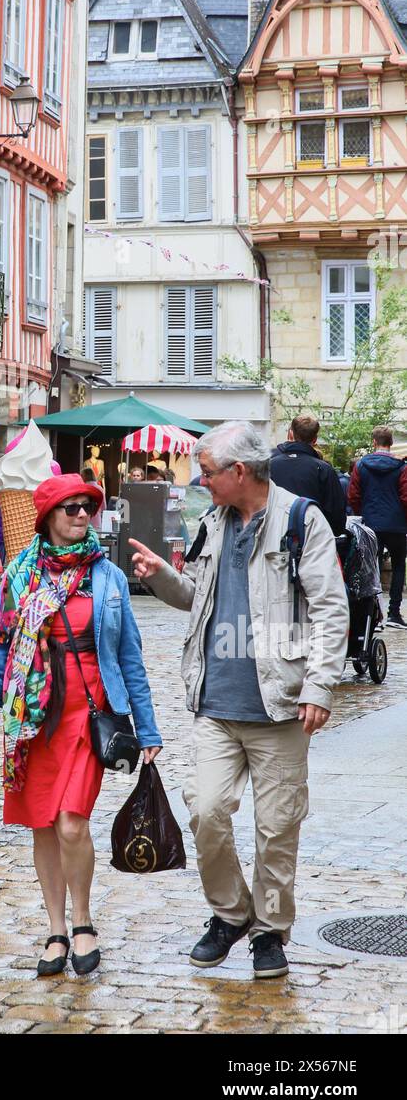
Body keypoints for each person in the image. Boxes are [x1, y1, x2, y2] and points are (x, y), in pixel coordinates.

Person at [129, 420, 348, 981]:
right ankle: (230, 915)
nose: (200, 482)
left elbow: (330, 608)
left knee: (277, 827)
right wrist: (159, 578)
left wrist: (320, 686)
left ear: (239, 472)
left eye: (206, 473)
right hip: (216, 704)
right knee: (206, 811)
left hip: (279, 706)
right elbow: (195, 598)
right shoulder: (211, 524)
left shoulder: (303, 521)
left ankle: (270, 931)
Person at [0, 473, 163, 978]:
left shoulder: (108, 578)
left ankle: (83, 922)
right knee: (43, 828)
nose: (82, 515)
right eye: (71, 508)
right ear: (48, 517)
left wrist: (149, 728)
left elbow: (130, 657)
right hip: (32, 719)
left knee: (72, 823)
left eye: (87, 508)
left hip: (89, 715)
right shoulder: (20, 576)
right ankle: (55, 930)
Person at [347, 425, 407, 628]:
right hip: (397, 524)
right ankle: (394, 614)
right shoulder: (401, 467)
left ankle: (374, 615)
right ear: (391, 443)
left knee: (372, 568)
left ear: (374, 442)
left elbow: (353, 495)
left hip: (370, 524)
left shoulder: (361, 465)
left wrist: (362, 514)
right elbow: (406, 497)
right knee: (399, 566)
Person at [269, 414, 346, 536]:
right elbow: (336, 516)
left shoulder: (269, 465)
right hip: (313, 538)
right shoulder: (324, 470)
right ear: (315, 440)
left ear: (291, 434)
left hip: (275, 536)